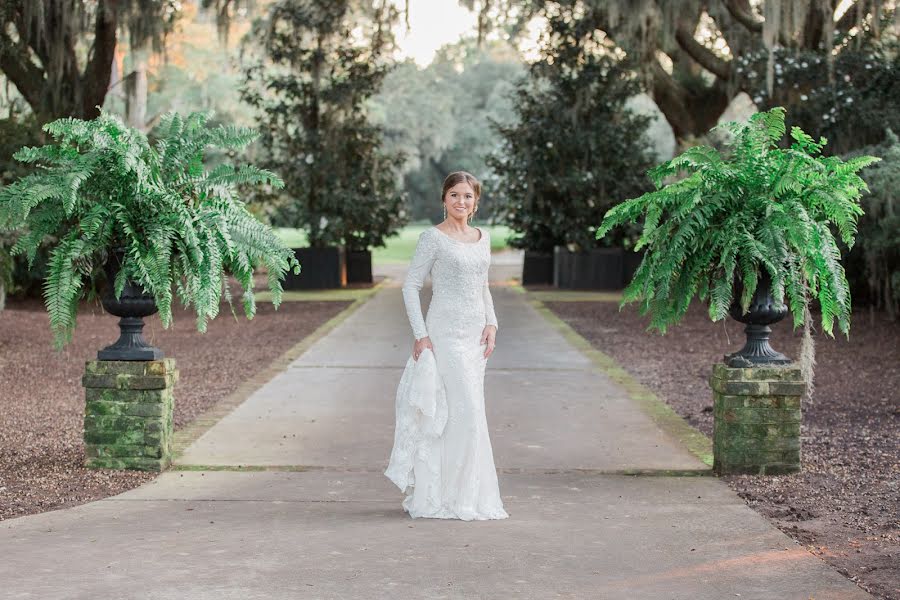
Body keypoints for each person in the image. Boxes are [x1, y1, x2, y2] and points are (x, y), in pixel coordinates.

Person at [384, 171, 509, 520]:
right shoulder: (432, 239)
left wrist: (492, 323)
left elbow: (483, 284)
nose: (461, 202)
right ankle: (448, 497)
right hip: (445, 336)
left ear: (476, 202)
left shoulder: (482, 238)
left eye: (467, 196)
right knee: (464, 413)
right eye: (454, 195)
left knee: (467, 415)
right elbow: (410, 286)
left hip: (475, 338)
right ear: (444, 199)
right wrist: (421, 335)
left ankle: (464, 495)